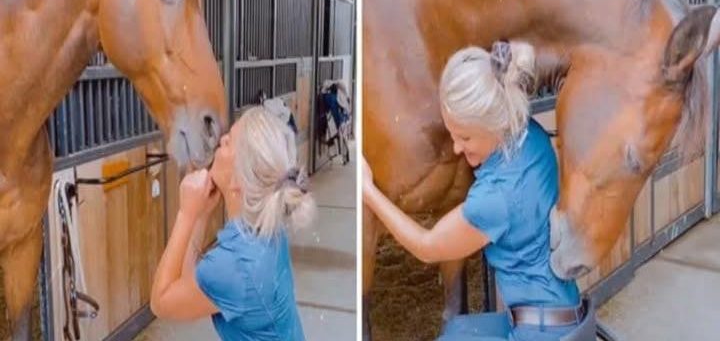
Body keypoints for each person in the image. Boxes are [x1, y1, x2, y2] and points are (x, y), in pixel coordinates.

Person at [362, 41, 595, 340]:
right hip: (563, 311)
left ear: (492, 125)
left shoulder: (493, 198)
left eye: (465, 137)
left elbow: (427, 247)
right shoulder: (532, 135)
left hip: (540, 333)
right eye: (453, 135)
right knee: (457, 330)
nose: (457, 148)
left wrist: (368, 191)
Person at [150, 106, 316, 341]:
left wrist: (186, 214)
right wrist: (200, 216)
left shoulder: (237, 265)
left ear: (239, 178)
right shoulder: (268, 229)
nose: (221, 139)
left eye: (228, 143)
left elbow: (161, 302)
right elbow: (191, 290)